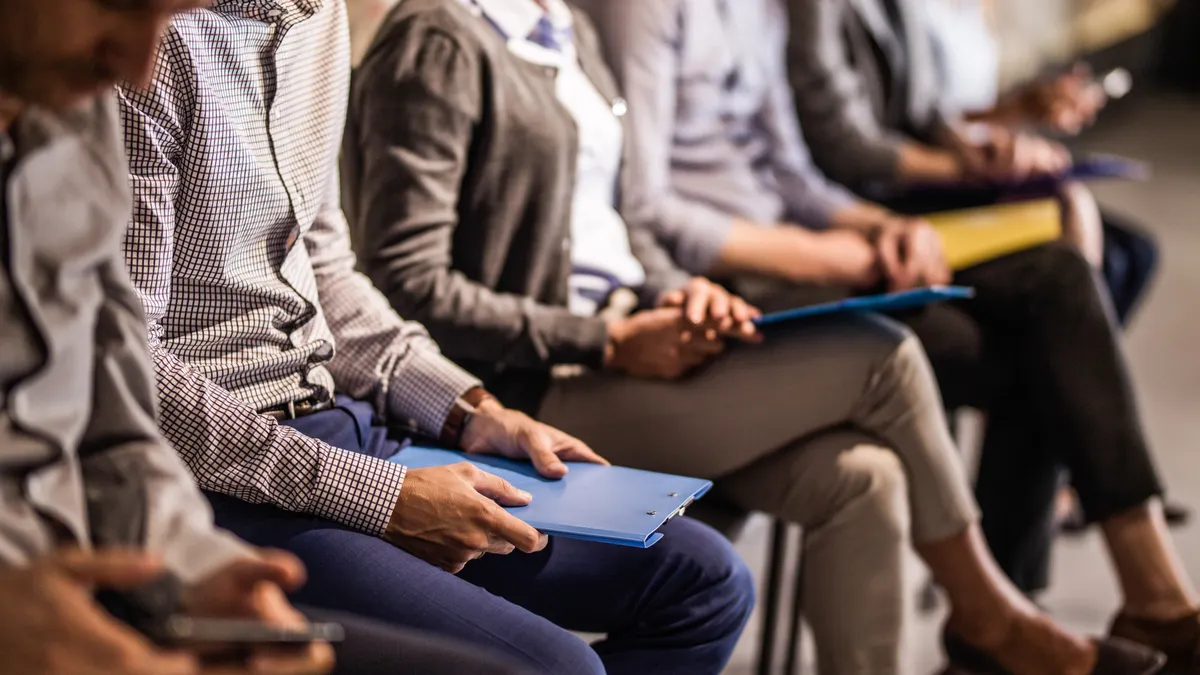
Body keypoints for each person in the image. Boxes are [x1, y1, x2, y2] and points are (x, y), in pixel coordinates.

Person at [343, 0, 1170, 673]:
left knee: (865, 476)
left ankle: (1000, 618)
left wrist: (684, 292)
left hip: (635, 330)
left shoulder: (563, 23)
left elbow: (625, 223)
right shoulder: (440, 38)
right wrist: (607, 336)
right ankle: (992, 614)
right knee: (887, 357)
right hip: (539, 382)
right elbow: (405, 280)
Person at [114, 1, 755, 673]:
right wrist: (380, 496)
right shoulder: (148, 46)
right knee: (559, 666)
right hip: (224, 477)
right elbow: (133, 371)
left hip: (342, 422)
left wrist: (471, 409)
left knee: (705, 580)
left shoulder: (316, 16)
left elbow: (328, 272)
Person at [581, 0, 1200, 672]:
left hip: (799, 238)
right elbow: (647, 204)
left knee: (1056, 280)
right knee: (1031, 342)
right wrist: (833, 255)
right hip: (729, 277)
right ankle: (1024, 615)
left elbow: (791, 170)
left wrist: (877, 227)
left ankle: (1092, 603)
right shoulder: (644, 8)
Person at [0, 1, 531, 674]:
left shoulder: (67, 126)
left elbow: (115, 415)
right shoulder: (121, 88)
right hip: (209, 477)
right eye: (122, 7)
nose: (141, 65)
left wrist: (202, 572)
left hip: (141, 533)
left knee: (692, 575)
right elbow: (147, 380)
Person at [787, 0, 1159, 326]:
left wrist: (976, 148)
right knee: (1070, 254)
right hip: (878, 189)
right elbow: (843, 144)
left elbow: (927, 108)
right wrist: (967, 166)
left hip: (928, 169)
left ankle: (1050, 390)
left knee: (1132, 250)